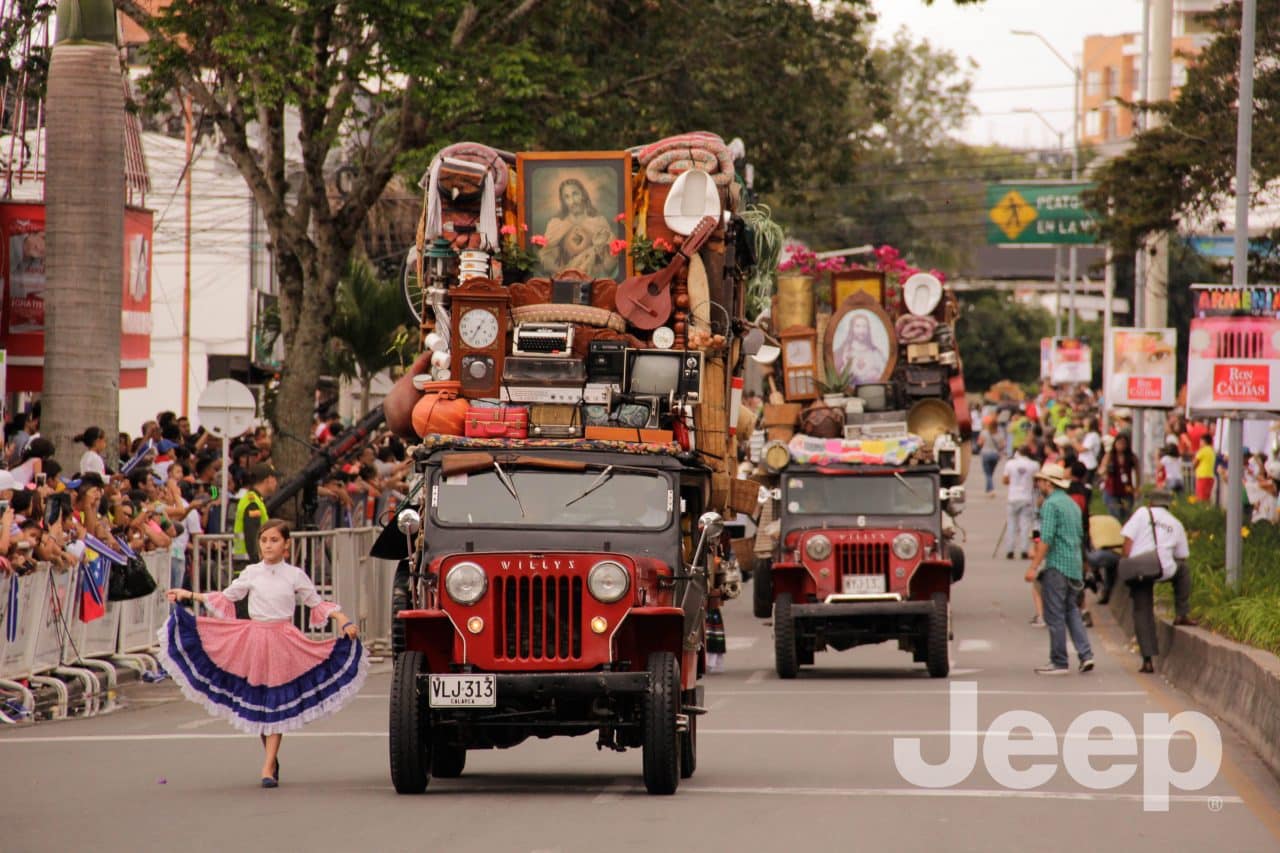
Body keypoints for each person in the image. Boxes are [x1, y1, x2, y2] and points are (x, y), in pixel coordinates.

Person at [162, 521, 366, 787]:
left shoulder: (294, 575)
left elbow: (316, 603)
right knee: (258, 703)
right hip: (254, 640)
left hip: (283, 641)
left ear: (286, 544)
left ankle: (268, 766)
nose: (268, 545)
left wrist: (343, 619)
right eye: (264, 540)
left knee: (275, 702)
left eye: (274, 540)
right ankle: (271, 756)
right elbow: (226, 597)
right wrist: (187, 594)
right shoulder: (251, 572)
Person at [1025, 462, 1094, 675]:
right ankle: (1085, 654)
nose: (1038, 484)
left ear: (1048, 483)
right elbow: (1080, 535)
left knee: (1054, 614)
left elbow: (1046, 539)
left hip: (1058, 564)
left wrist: (1033, 567)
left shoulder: (1050, 505)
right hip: (1073, 564)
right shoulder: (1072, 504)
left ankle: (1059, 660)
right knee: (1071, 610)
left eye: (1041, 481)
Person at [1119, 490, 1197, 673]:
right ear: (1168, 505)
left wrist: (1127, 562)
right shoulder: (1175, 523)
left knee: (1142, 610)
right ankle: (1182, 613)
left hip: (1140, 570)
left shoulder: (1141, 514)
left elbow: (1127, 543)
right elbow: (1183, 555)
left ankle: (1147, 660)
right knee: (1183, 570)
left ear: (1151, 503)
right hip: (1163, 569)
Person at [538, 178, 616, 278]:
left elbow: (610, 265)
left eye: (575, 194)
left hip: (593, 281)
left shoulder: (599, 222)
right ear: (563, 201)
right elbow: (545, 257)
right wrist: (565, 273)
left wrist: (599, 249)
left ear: (583, 195)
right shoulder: (556, 225)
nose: (572, 201)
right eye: (567, 197)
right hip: (563, 282)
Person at [1002, 444, 1039, 559]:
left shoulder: (1010, 464)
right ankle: (1024, 549)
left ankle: (1010, 549)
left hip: (1013, 497)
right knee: (1025, 525)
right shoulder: (1034, 465)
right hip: (1027, 497)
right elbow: (1036, 480)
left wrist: (1014, 482)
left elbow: (1005, 480)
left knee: (1011, 524)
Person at [833, 313, 889, 384]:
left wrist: (875, 376)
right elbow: (837, 376)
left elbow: (884, 373)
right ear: (852, 328)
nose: (861, 330)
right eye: (857, 326)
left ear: (868, 329)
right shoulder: (842, 351)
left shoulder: (875, 353)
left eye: (864, 327)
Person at [1100, 432, 1138, 520]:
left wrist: (1137, 488)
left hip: (1126, 489)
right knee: (1115, 514)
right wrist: (1105, 471)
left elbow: (1137, 472)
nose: (1121, 446)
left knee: (1127, 513)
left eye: (1123, 443)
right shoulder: (1110, 455)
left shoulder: (1131, 457)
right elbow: (1102, 469)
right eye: (1119, 443)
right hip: (1112, 489)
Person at [976, 417, 1004, 495]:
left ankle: (991, 489)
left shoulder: (984, 433)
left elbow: (980, 443)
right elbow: (1003, 445)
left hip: (985, 454)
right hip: (995, 455)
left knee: (988, 474)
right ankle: (988, 489)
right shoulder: (999, 434)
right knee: (991, 473)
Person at [1193, 433, 1216, 502]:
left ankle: (1201, 511)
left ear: (1204, 441)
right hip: (1210, 476)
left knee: (1201, 497)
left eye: (1200, 441)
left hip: (1202, 476)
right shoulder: (1212, 450)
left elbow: (1195, 463)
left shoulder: (1202, 451)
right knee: (1206, 497)